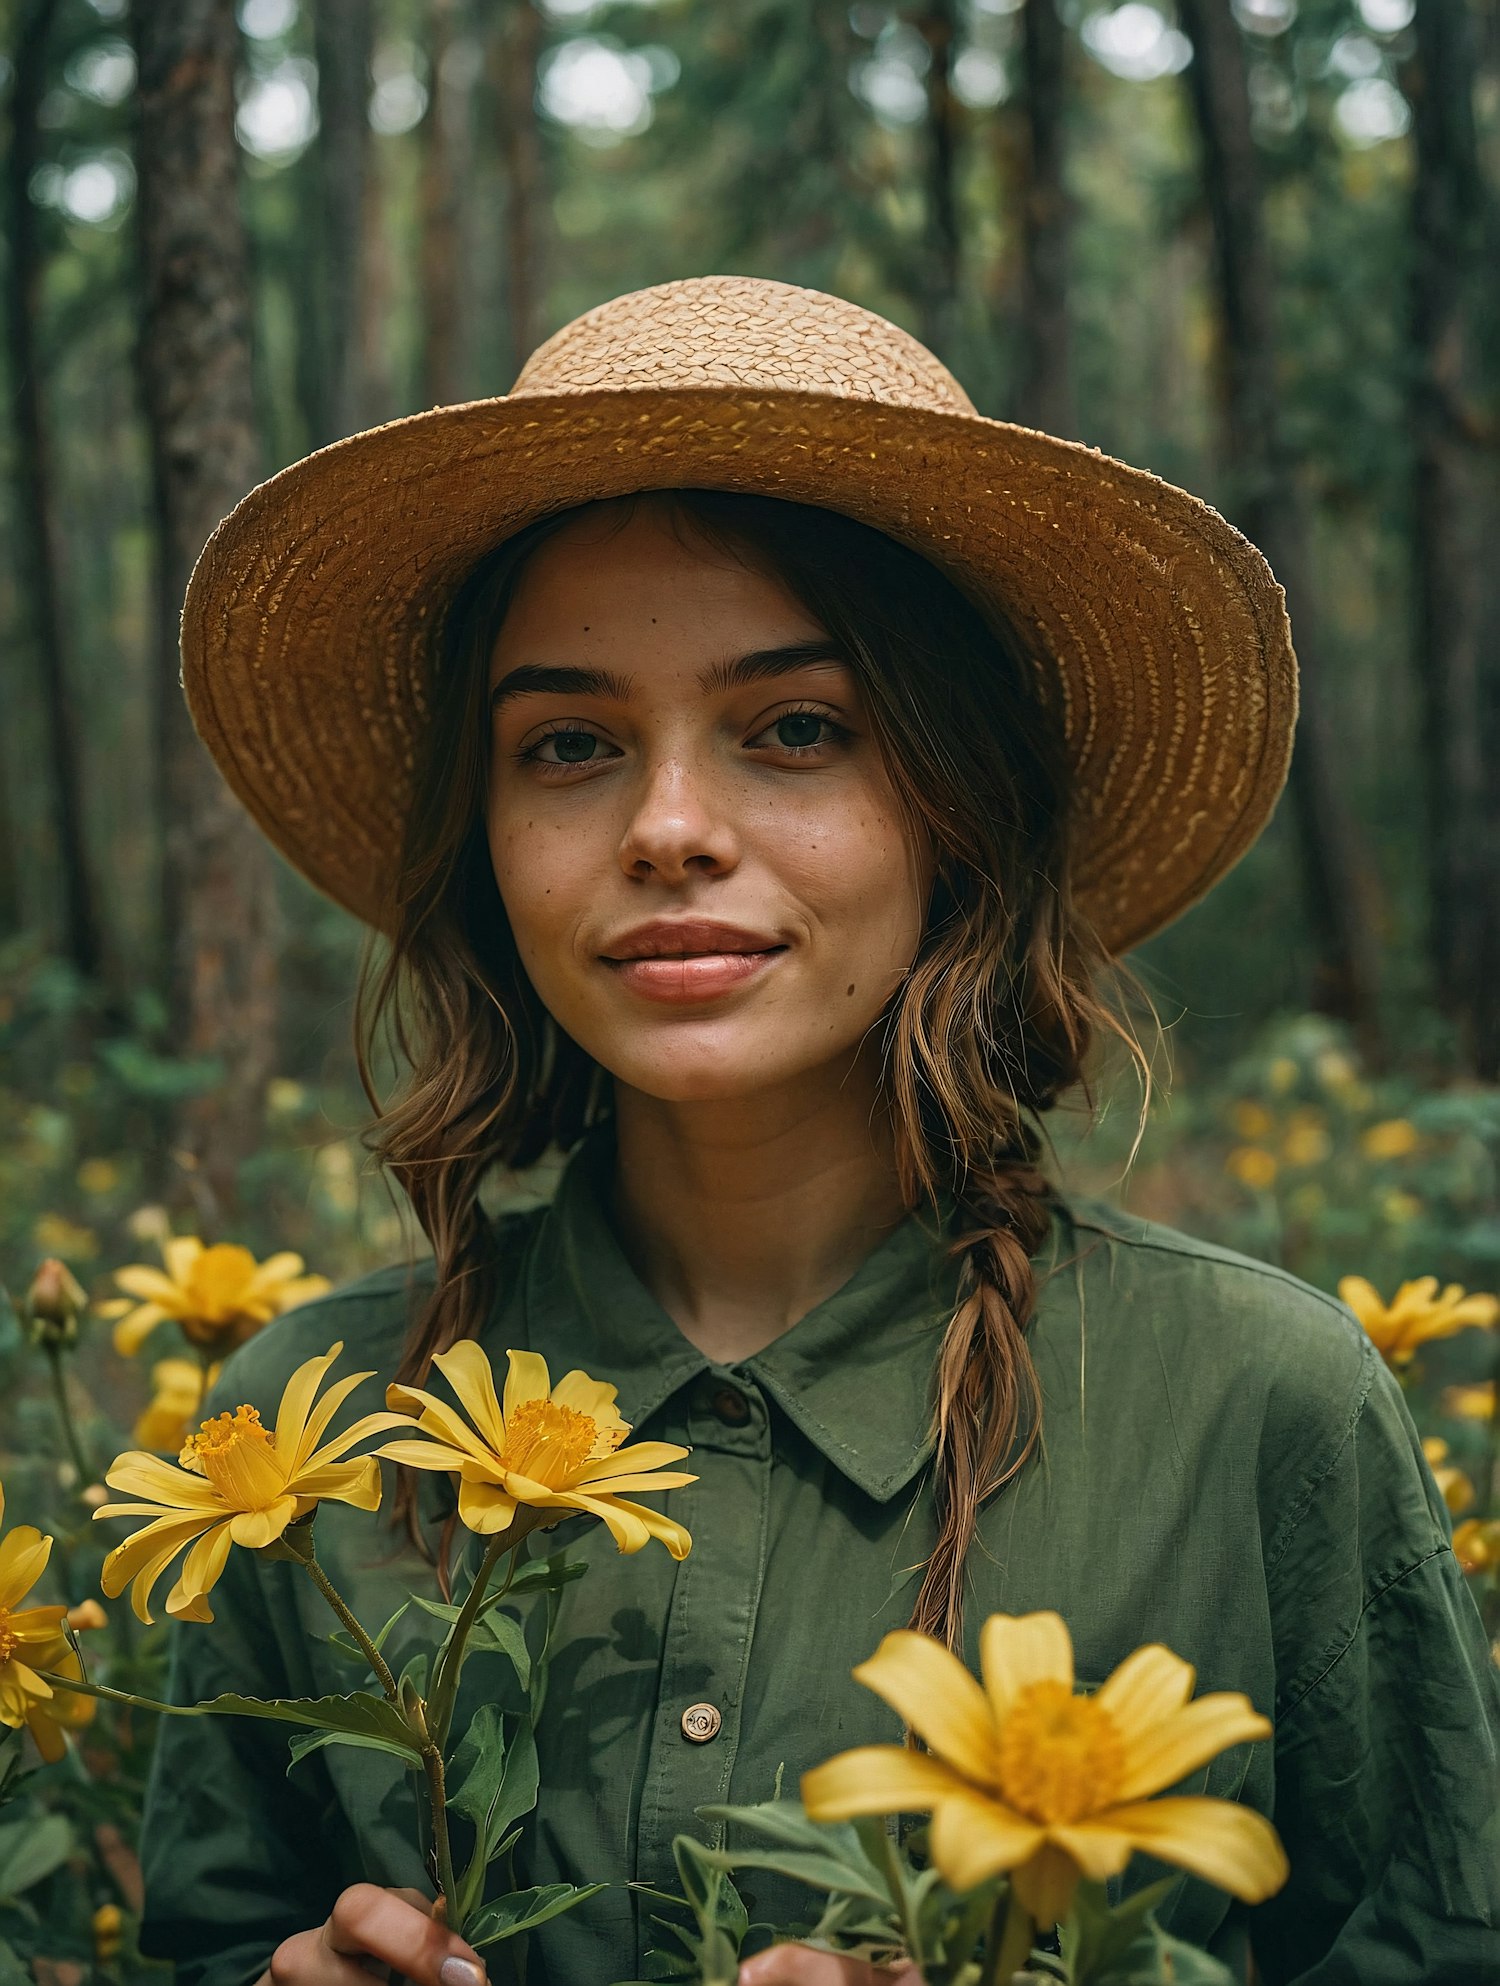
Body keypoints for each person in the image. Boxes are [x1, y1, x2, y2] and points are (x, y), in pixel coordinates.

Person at [135, 277, 1497, 1986]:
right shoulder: (300, 1445)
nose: (670, 828)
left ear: (955, 797)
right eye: (569, 743)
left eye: (795, 727)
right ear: (482, 838)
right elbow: (183, 1932)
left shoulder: (1262, 1413)